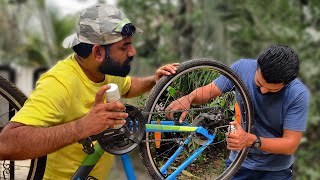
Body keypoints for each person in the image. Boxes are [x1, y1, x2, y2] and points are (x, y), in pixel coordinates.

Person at [0, 4, 178, 179]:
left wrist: (153, 80)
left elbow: (129, 86)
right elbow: (6, 143)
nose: (133, 52)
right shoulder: (59, 83)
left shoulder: (106, 69)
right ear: (98, 52)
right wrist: (82, 127)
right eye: (124, 47)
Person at [166, 44, 309, 179]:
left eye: (272, 90)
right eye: (258, 84)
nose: (263, 91)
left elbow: (290, 144)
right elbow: (209, 92)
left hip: (275, 171)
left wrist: (249, 140)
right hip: (239, 163)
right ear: (257, 66)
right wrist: (189, 98)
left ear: (287, 83)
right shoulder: (242, 69)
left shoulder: (298, 95)